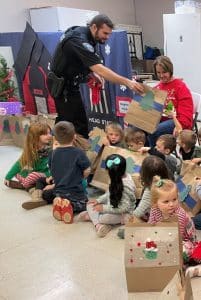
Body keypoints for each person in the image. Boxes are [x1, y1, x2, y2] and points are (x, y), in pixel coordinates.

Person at [48, 14, 144, 139]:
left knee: (79, 123)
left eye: (109, 34)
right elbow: (100, 69)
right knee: (69, 126)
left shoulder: (85, 35)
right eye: (105, 33)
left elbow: (76, 60)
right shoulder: (78, 40)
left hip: (71, 85)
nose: (107, 37)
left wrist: (91, 73)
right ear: (94, 27)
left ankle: (78, 150)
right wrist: (128, 82)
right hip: (63, 87)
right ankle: (63, 151)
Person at [149, 177, 201, 278]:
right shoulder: (154, 210)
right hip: (166, 237)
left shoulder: (179, 215)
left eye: (174, 199)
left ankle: (192, 267)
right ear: (155, 203)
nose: (171, 204)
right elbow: (151, 226)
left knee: (183, 252)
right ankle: (186, 266)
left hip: (184, 240)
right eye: (166, 202)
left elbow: (177, 239)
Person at [77, 154, 136, 237]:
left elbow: (124, 208)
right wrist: (98, 200)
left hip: (123, 214)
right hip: (112, 206)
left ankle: (92, 219)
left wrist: (103, 208)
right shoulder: (116, 177)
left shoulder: (126, 186)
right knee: (90, 204)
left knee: (106, 218)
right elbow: (109, 193)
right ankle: (100, 225)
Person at [50, 121, 91, 224]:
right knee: (86, 205)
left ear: (55, 138)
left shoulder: (53, 153)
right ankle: (71, 206)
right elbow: (87, 169)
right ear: (74, 137)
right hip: (75, 191)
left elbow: (51, 169)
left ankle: (59, 202)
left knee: (60, 196)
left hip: (58, 190)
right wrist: (83, 177)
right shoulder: (78, 152)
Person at [147, 56, 193, 147]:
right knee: (137, 127)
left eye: (164, 72)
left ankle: (155, 156)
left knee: (154, 130)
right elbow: (147, 107)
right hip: (160, 120)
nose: (161, 75)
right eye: (158, 72)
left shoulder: (180, 87)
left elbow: (186, 114)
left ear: (170, 70)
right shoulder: (157, 88)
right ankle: (143, 154)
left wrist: (179, 125)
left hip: (177, 121)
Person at [4, 122, 52, 190]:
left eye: (49, 133)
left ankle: (24, 185)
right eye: (45, 134)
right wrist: (8, 177)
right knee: (17, 172)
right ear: (35, 137)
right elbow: (19, 164)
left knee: (33, 175)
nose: (49, 135)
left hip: (45, 174)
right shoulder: (30, 150)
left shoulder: (50, 148)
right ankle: (28, 183)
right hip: (33, 172)